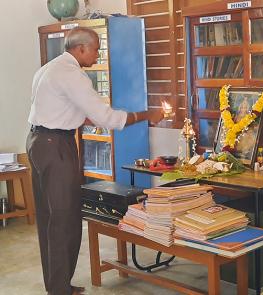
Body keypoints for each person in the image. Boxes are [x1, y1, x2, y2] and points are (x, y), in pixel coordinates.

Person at [26, 27, 163, 295]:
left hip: (37, 142)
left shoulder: (48, 69)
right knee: (64, 218)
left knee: (49, 217)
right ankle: (59, 289)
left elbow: (72, 111)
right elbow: (108, 118)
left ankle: (57, 285)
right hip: (57, 146)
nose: (98, 53)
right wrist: (147, 114)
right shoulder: (73, 75)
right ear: (81, 49)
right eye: (96, 48)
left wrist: (96, 118)